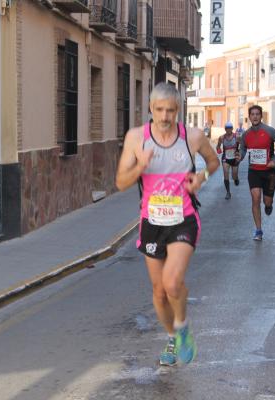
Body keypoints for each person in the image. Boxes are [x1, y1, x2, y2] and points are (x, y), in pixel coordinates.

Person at [116, 83, 219, 366]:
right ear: (150, 108)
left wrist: (201, 178)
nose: (164, 116)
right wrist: (140, 166)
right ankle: (173, 336)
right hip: (151, 222)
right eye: (159, 110)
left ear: (178, 110)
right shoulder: (136, 138)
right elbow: (121, 182)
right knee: (159, 293)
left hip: (184, 218)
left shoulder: (192, 137)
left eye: (171, 111)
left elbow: (213, 162)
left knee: (172, 282)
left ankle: (183, 327)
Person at [236, 105, 275, 241]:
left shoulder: (269, 131)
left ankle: (269, 205)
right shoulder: (246, 134)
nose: (255, 116)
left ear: (261, 116)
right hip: (254, 171)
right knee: (255, 198)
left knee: (266, 201)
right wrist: (240, 156)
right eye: (252, 114)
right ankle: (258, 230)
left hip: (269, 172)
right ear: (249, 117)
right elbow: (243, 149)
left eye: (257, 114)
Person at [216, 121, 240, 199]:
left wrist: (239, 151)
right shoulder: (222, 138)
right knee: (226, 174)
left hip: (234, 158)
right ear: (225, 129)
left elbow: (243, 145)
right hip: (225, 158)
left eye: (230, 128)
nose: (228, 130)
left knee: (234, 175)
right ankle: (228, 193)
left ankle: (236, 179)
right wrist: (218, 149)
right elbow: (218, 146)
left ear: (232, 129)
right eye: (227, 129)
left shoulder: (237, 136)